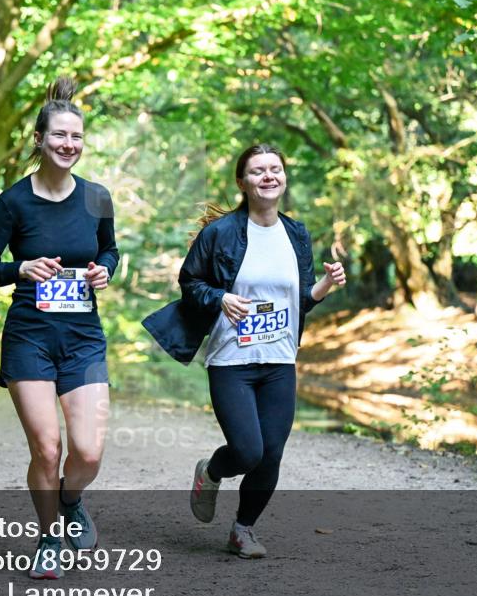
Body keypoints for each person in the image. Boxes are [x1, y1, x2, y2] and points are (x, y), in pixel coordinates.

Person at [142, 144, 346, 558]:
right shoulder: (220, 233)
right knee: (248, 450)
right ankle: (212, 470)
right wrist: (220, 298)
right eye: (258, 171)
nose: (268, 176)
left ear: (284, 177)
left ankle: (243, 530)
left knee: (271, 454)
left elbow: (300, 299)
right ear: (243, 183)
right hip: (232, 360)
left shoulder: (297, 233)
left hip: (279, 359)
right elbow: (190, 283)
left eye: (275, 168)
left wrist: (325, 286)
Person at [0, 77, 118, 580]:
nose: (68, 145)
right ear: (40, 139)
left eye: (76, 137)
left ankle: (70, 498)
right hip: (30, 334)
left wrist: (106, 270)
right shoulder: (13, 202)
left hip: (82, 337)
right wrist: (22, 268)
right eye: (59, 136)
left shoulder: (98, 197)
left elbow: (109, 250)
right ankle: (50, 535)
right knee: (48, 448)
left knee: (88, 450)